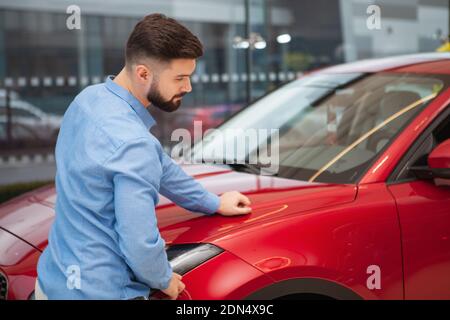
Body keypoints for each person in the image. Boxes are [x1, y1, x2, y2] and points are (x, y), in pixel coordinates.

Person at [36, 13, 251, 300]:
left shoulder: (87, 100)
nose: (187, 87)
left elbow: (159, 165)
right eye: (180, 78)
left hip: (53, 277)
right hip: (102, 292)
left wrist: (212, 202)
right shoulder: (133, 143)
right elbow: (139, 241)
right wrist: (162, 278)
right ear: (143, 73)